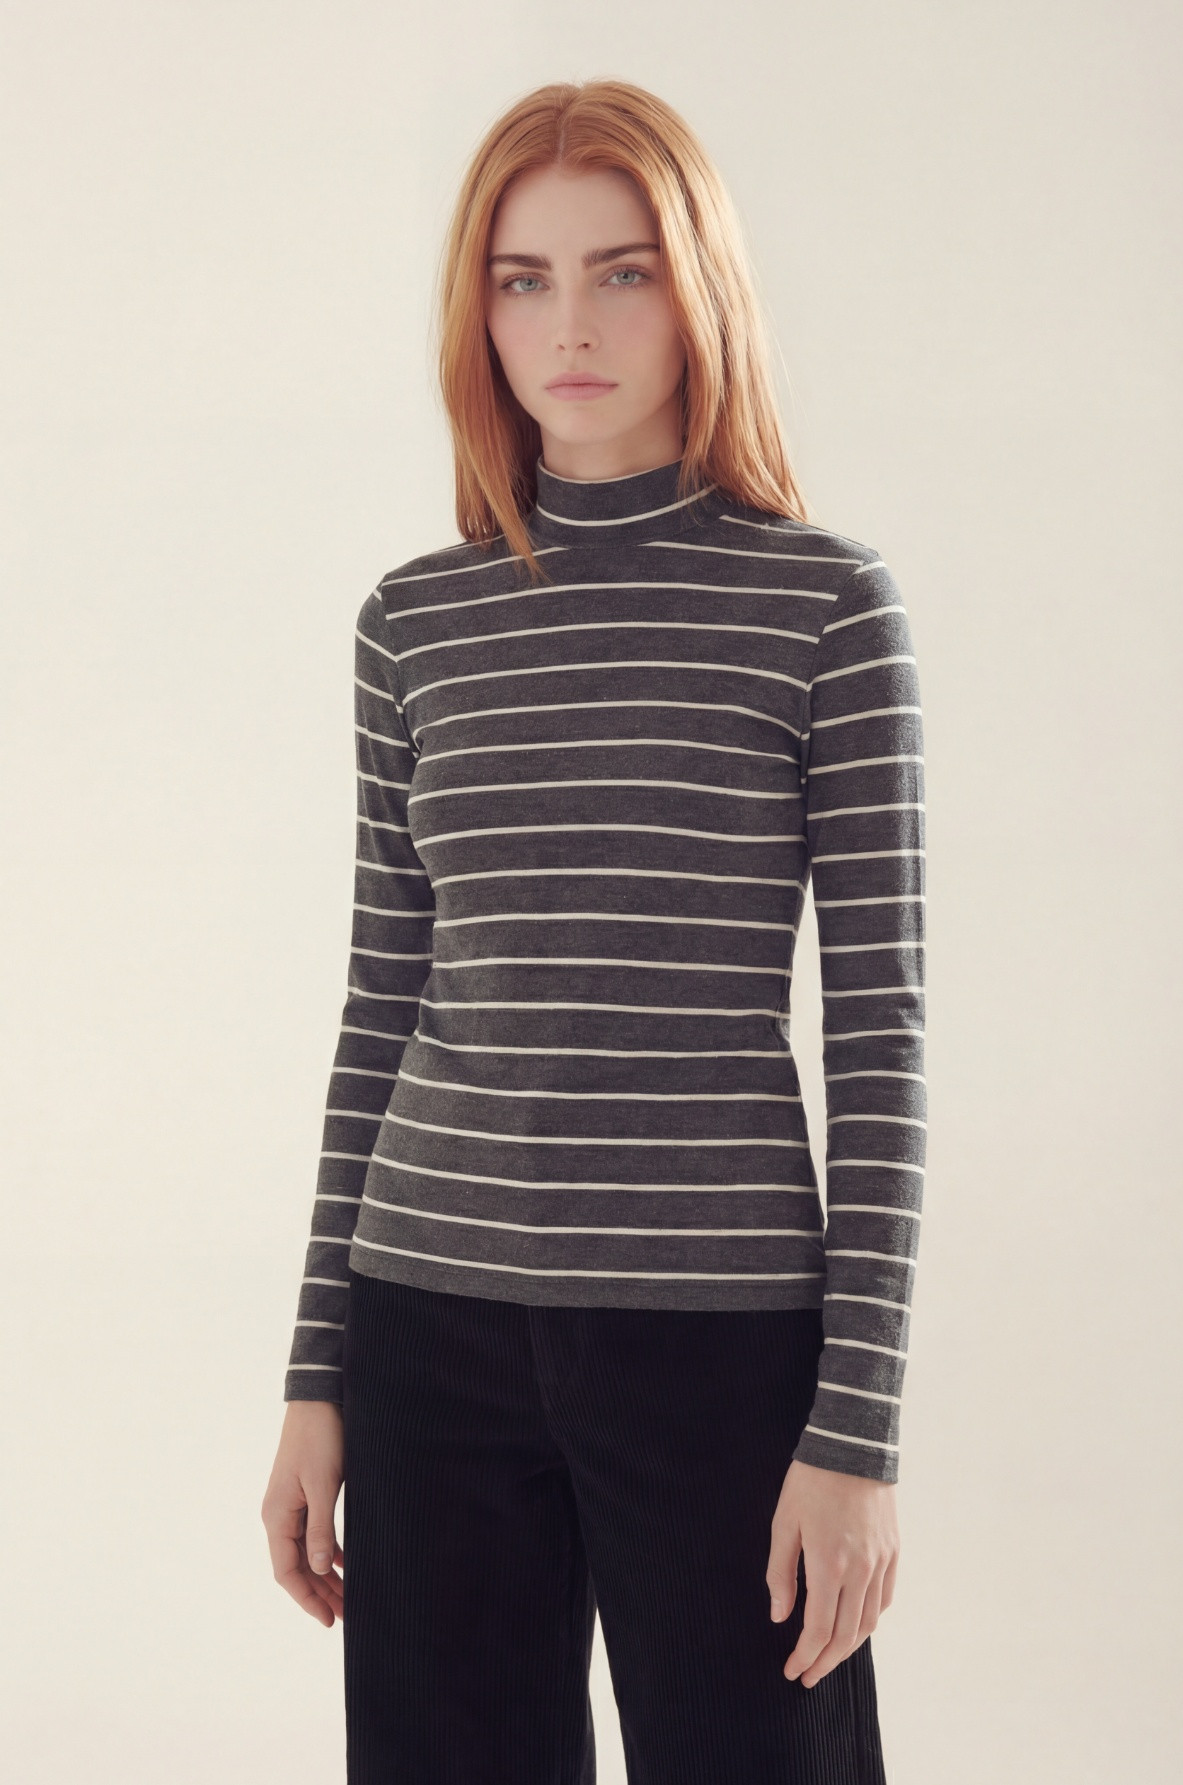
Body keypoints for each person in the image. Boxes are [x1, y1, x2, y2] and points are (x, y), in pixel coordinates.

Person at [261, 77, 926, 1785]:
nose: (571, 323)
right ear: (477, 310)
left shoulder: (823, 609)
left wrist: (856, 1431)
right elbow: (381, 1003)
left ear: (698, 288)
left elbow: (880, 1040)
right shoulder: (414, 623)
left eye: (623, 271)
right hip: (429, 1322)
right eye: (525, 277)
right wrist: (317, 1374)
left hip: (717, 1343)